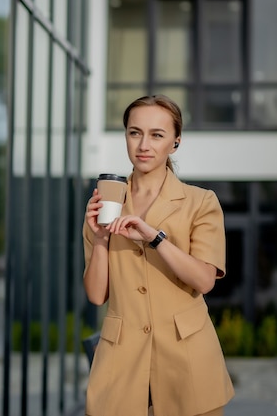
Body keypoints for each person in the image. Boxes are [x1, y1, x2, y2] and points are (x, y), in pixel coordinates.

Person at [83, 95, 235, 416]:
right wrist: (99, 239)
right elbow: (97, 295)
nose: (143, 144)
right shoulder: (106, 201)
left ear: (175, 143)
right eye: (135, 132)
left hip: (187, 358)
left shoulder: (201, 202)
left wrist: (155, 238)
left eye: (157, 134)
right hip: (121, 359)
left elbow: (204, 280)